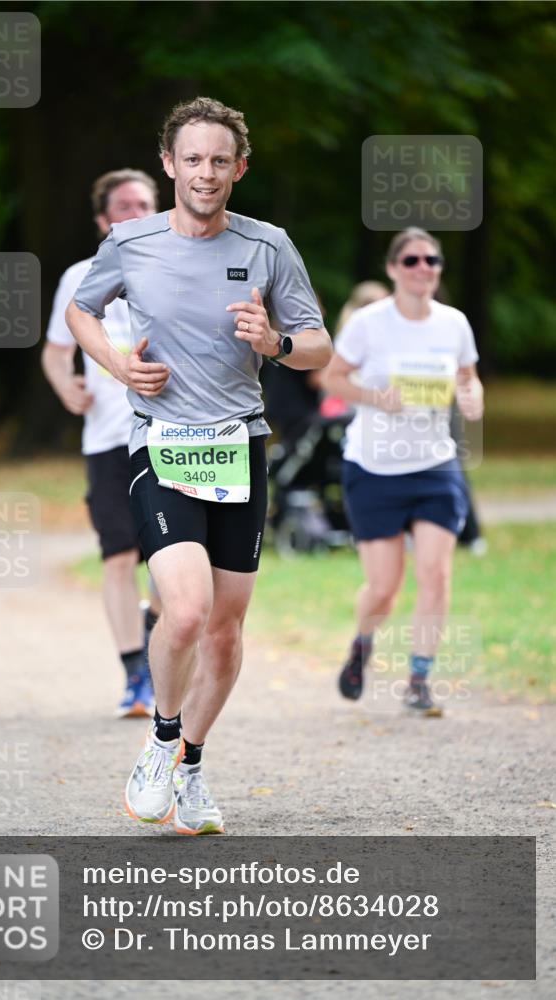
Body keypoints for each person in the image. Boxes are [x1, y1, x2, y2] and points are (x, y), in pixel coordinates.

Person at [66, 96, 332, 834]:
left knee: (224, 627)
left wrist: (274, 340)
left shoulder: (268, 245)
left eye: (220, 160)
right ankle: (160, 740)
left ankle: (191, 766)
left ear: (239, 167)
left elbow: (318, 348)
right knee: (184, 610)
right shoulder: (130, 241)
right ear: (168, 164)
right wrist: (119, 366)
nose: (205, 172)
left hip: (240, 445)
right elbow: (80, 312)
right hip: (163, 443)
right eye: (192, 159)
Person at [323, 227, 484, 716]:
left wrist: (473, 399)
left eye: (432, 260)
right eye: (411, 260)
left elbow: (468, 382)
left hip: (435, 465)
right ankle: (363, 643)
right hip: (374, 467)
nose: (423, 268)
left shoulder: (454, 324)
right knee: (384, 587)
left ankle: (418, 678)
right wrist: (375, 398)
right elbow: (331, 377)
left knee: (435, 574)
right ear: (393, 269)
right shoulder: (370, 323)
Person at [42, 169, 161, 719]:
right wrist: (67, 387)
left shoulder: (178, 263)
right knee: (118, 558)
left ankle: (156, 636)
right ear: (101, 219)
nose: (134, 213)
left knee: (170, 563)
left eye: (144, 203)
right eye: (122, 206)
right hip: (110, 441)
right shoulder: (79, 277)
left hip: (171, 434)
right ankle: (136, 673)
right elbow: (55, 351)